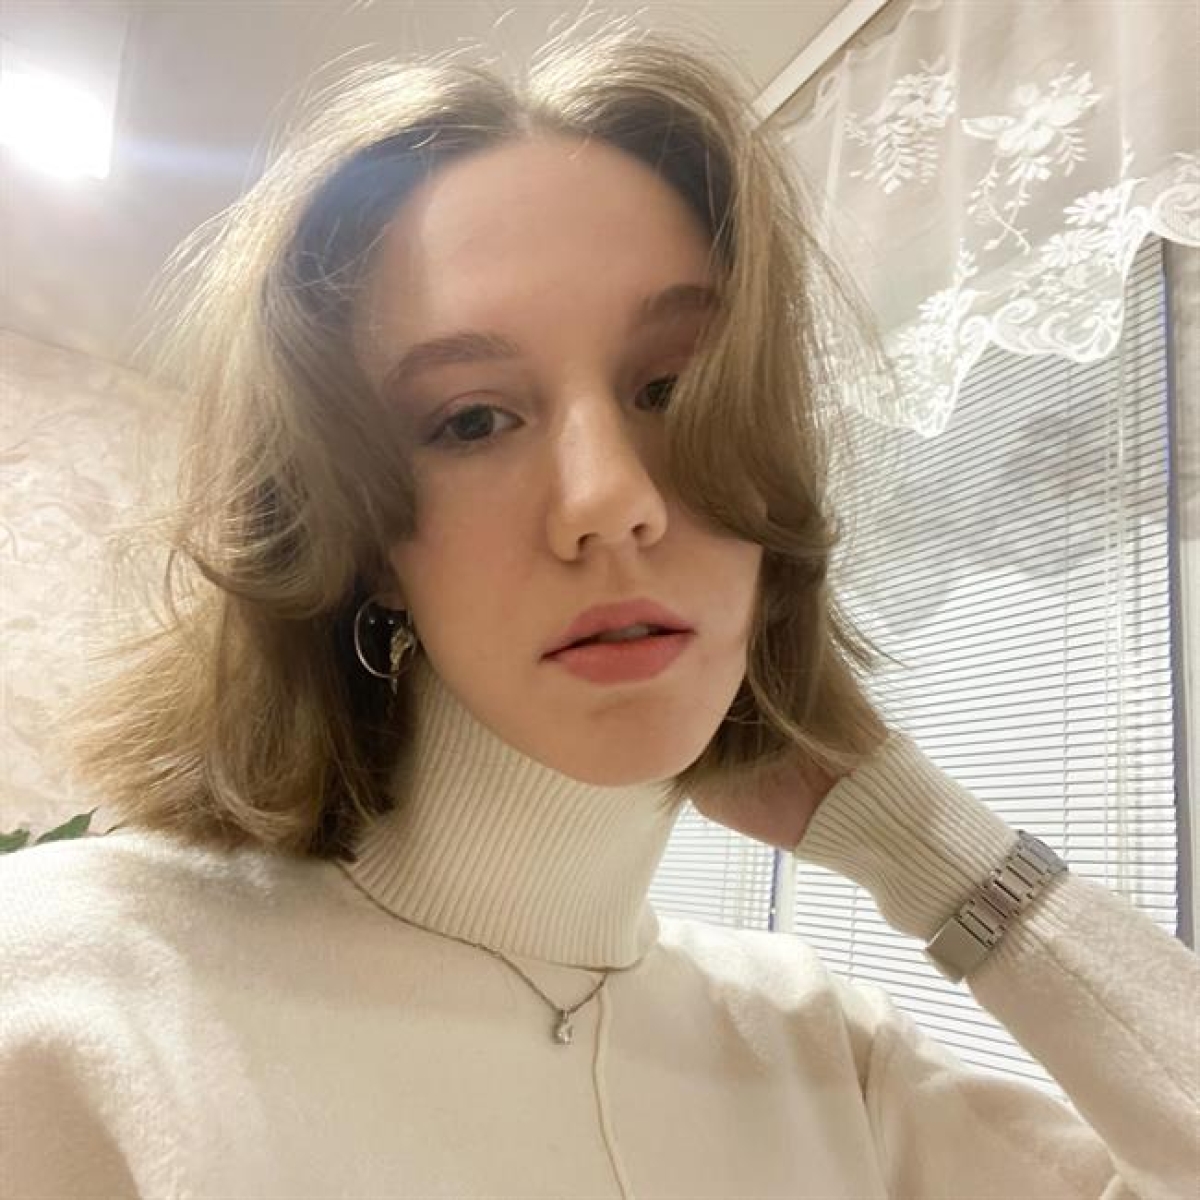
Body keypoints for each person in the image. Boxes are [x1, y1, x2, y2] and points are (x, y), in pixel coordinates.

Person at [2, 19, 1197, 1200]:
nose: (609, 501)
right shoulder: (75, 995)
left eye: (672, 387)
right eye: (472, 419)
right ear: (359, 539)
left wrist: (920, 838)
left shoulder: (832, 1062)